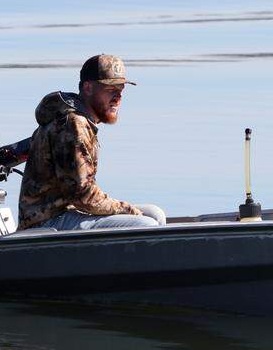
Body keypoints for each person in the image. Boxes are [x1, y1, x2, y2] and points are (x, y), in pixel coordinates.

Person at [19, 54, 166, 231]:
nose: (118, 97)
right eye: (110, 89)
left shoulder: (80, 121)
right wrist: (127, 209)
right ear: (88, 88)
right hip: (49, 220)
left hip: (70, 211)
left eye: (120, 90)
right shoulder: (74, 125)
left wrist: (126, 210)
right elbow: (83, 195)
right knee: (146, 225)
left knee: (155, 214)